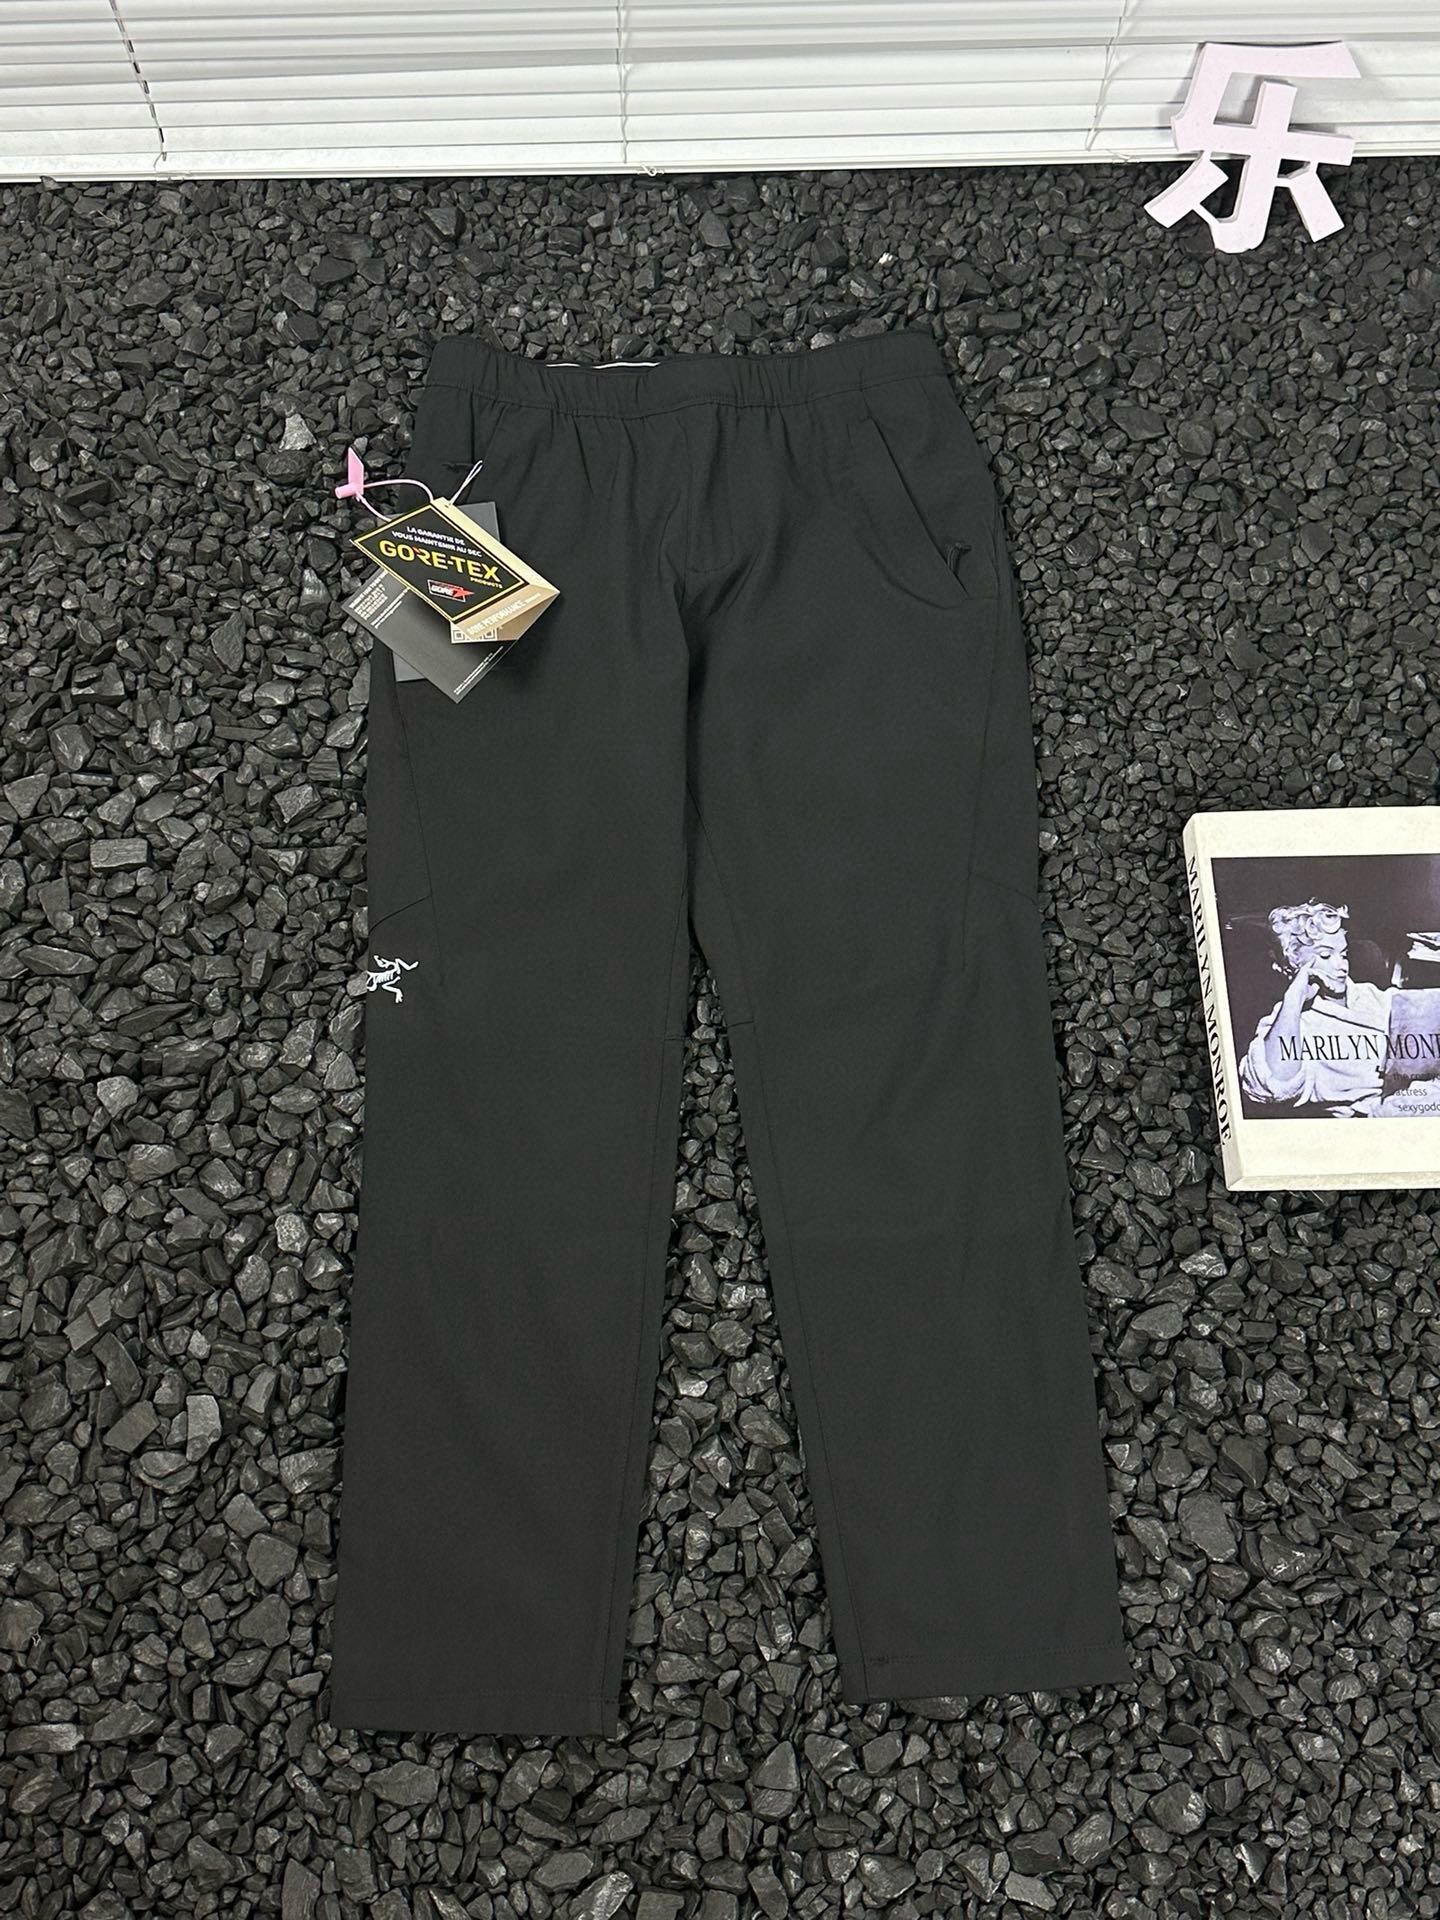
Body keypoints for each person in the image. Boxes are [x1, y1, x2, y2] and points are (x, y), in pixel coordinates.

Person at [1238, 900, 1394, 1116]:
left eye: (1344, 954)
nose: (1342, 966)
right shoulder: (1290, 1021)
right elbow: (1270, 1087)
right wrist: (1294, 999)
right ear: (1294, 961)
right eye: (1325, 956)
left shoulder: (1372, 995)